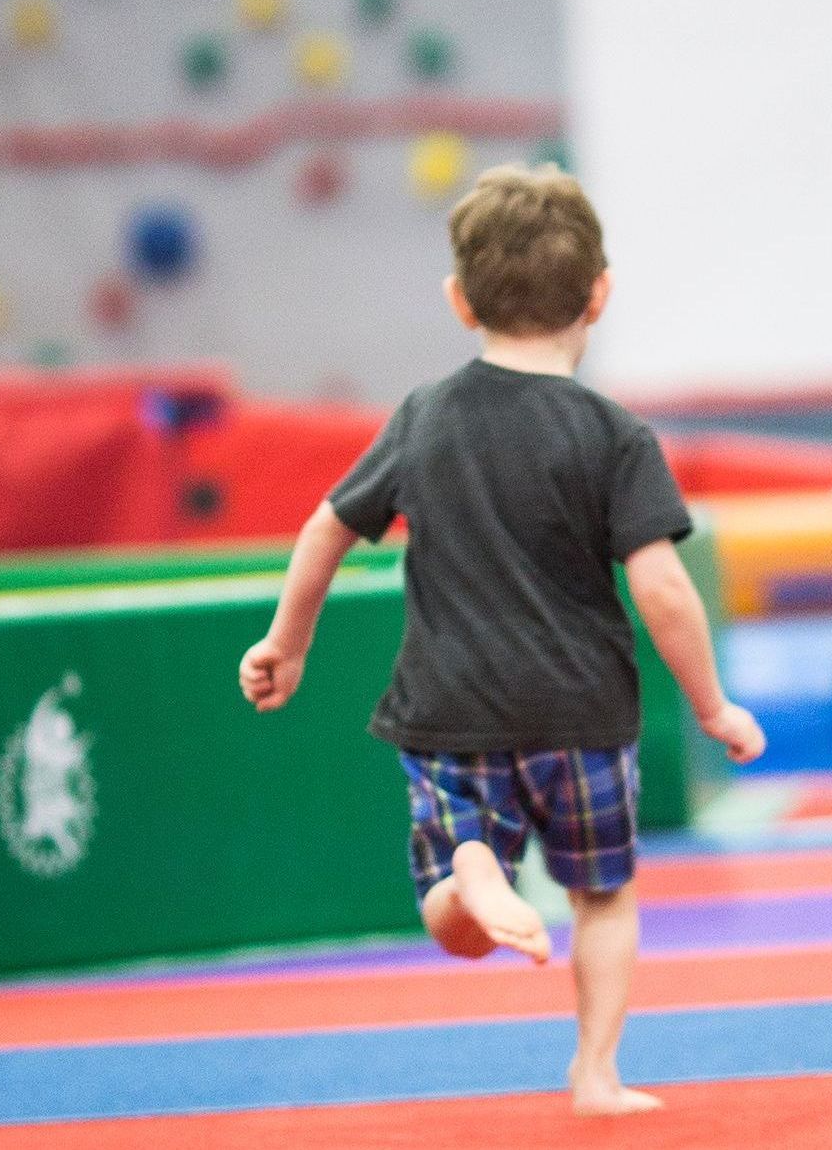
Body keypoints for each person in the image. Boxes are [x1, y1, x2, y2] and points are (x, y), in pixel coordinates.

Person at [239, 165, 765, 1115]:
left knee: (449, 912)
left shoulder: (424, 417)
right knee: (602, 896)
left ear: (458, 300)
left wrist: (289, 640)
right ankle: (596, 1073)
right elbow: (662, 587)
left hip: (452, 713)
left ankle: (471, 873)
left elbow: (326, 527)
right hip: (582, 716)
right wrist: (711, 703)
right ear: (598, 296)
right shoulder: (616, 436)